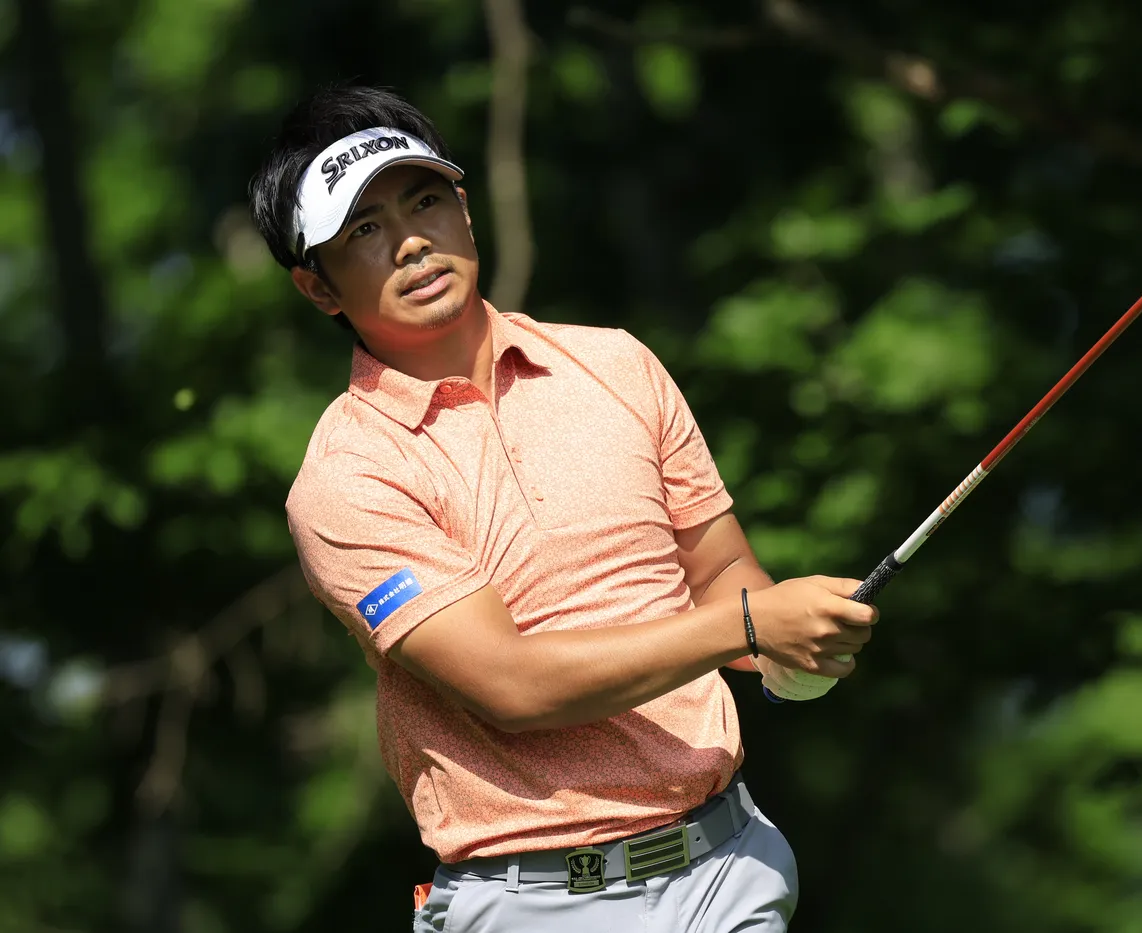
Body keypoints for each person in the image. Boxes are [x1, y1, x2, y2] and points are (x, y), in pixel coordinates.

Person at [248, 83, 878, 932]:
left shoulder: (617, 366)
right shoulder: (348, 477)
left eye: (425, 201)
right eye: (364, 229)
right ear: (317, 287)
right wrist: (746, 625)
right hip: (536, 902)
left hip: (728, 867)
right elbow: (513, 686)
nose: (411, 242)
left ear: (465, 212)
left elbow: (723, 574)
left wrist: (789, 651)